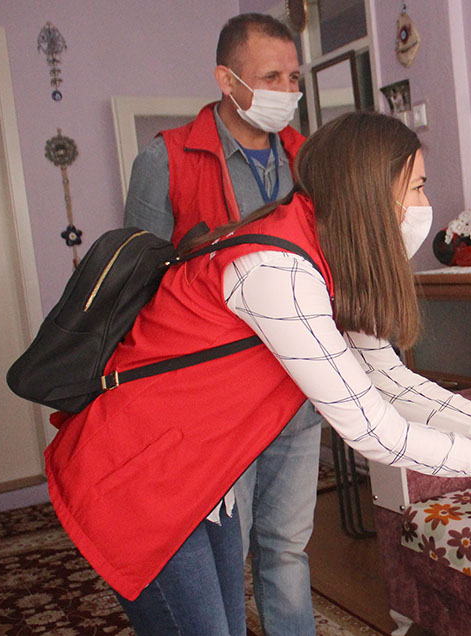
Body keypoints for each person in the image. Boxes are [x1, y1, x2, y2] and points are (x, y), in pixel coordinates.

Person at [48, 111, 471, 635]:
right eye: (417, 187)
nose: (425, 206)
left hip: (202, 472)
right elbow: (376, 432)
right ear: (369, 190)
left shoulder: (327, 251)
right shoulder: (277, 269)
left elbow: (392, 380)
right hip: (135, 477)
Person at [121, 14, 317, 635]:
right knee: (225, 556)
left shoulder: (307, 156)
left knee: (287, 550)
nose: (287, 90)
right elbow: (136, 287)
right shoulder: (167, 158)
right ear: (227, 80)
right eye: (271, 77)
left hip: (297, 391)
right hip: (218, 404)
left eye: (293, 77)